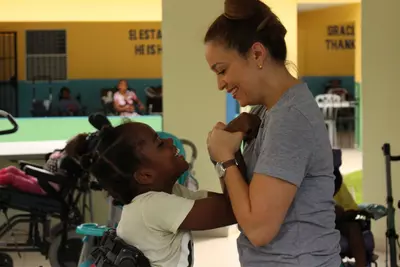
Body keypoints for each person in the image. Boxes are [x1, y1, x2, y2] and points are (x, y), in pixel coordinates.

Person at [204, 0, 341, 266]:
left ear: (257, 54)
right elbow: (242, 206)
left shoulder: (290, 118)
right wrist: (230, 154)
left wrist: (225, 158)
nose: (220, 83)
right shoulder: (266, 111)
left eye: (222, 70)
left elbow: (258, 230)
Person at [75, 121, 237, 267]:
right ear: (145, 175)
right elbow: (234, 210)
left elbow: (234, 203)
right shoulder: (153, 206)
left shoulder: (171, 194)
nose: (170, 141)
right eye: (159, 144)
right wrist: (224, 156)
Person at [0, 133, 88, 195]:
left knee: (10, 177)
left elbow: (78, 172)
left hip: (44, 187)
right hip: (39, 179)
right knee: (12, 169)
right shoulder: (61, 153)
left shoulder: (68, 161)